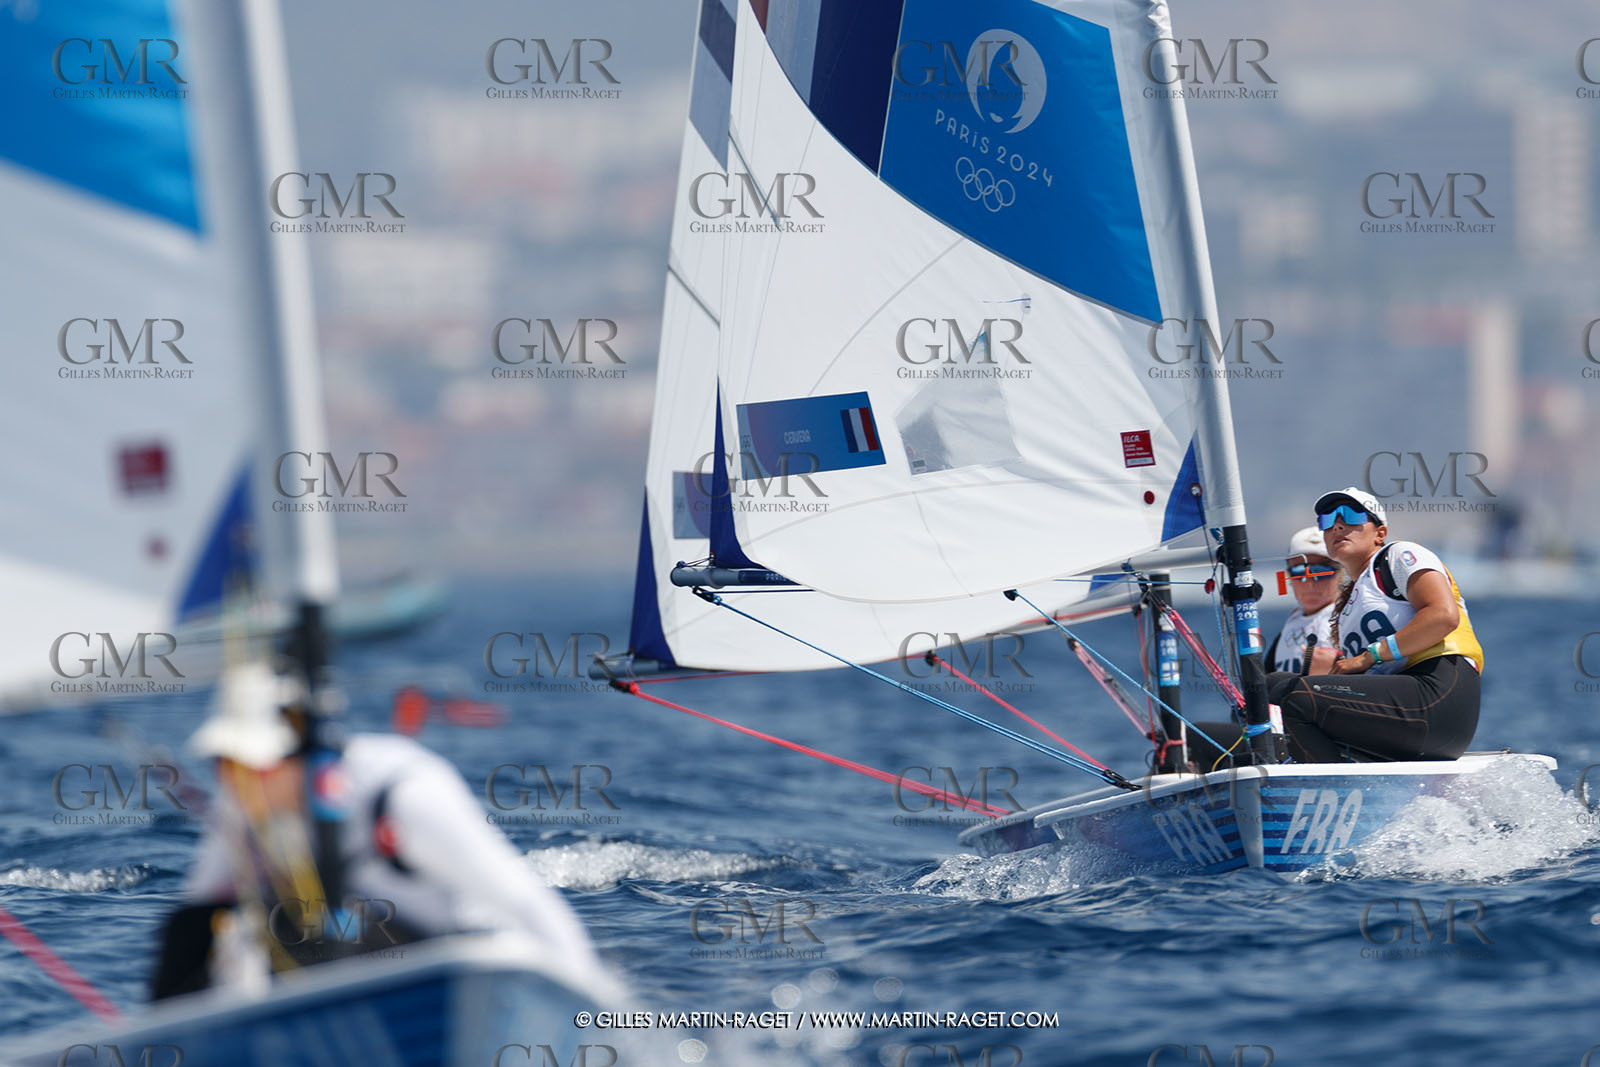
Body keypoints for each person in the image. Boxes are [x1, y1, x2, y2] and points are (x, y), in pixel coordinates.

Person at [151, 661, 615, 1000]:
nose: (236, 782)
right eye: (224, 765)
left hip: (458, 975)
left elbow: (526, 904)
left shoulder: (403, 794)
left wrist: (594, 1016)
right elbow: (190, 929)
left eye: (252, 765)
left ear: (301, 753)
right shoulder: (247, 810)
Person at [1264, 526, 1340, 675]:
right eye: (1299, 572)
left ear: (1342, 573)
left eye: (1321, 571)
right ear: (1287, 577)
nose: (1310, 582)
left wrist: (1339, 666)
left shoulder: (1351, 619)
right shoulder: (1289, 626)